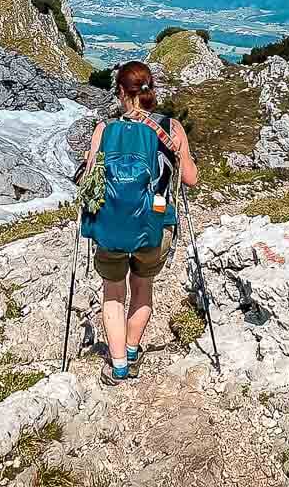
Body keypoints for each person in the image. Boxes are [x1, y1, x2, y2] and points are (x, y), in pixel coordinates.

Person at [83, 61, 198, 386]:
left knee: (113, 293)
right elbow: (189, 179)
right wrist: (181, 155)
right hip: (156, 224)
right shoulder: (171, 127)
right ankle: (133, 350)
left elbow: (90, 177)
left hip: (112, 227)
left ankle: (118, 365)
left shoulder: (105, 129)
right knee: (142, 289)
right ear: (151, 91)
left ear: (120, 92)